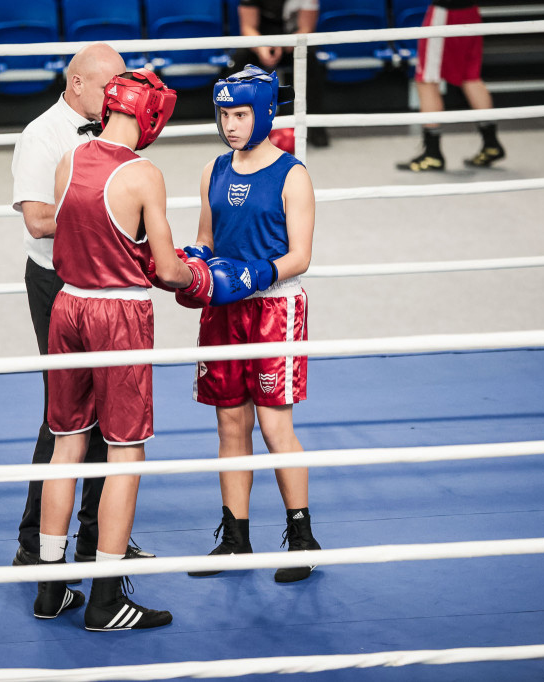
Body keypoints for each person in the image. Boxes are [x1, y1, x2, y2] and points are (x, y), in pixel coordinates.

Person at [34, 69, 211, 630]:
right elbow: (166, 270)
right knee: (124, 453)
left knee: (66, 447)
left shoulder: (69, 159)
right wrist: (204, 274)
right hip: (117, 315)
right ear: (152, 115)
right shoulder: (142, 174)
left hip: (67, 306)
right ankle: (107, 599)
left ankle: (49, 588)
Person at [10, 43, 155, 570]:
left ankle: (99, 540)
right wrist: (104, 218)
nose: (120, 95)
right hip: (59, 284)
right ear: (76, 84)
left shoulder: (114, 136)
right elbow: (37, 220)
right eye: (108, 86)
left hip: (104, 284)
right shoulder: (42, 136)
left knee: (109, 417)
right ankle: (34, 546)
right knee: (65, 417)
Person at [183, 65, 321, 583]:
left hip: (273, 308)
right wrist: (189, 267)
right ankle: (236, 537)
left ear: (264, 113)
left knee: (273, 424)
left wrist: (257, 272)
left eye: (240, 113)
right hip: (224, 308)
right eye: (224, 114)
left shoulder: (293, 174)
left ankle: (302, 537)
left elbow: (301, 256)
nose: (231, 124)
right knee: (229, 423)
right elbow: (207, 241)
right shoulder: (212, 170)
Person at [397, 0, 505, 172]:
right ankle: (491, 144)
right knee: (470, 77)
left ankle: (432, 154)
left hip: (446, 12)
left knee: (427, 80)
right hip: (470, 11)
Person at [235, 0, 329, 148]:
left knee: (311, 59)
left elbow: (306, 28)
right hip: (260, 41)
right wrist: (261, 48)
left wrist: (284, 45)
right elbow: (248, 27)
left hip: (293, 42)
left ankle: (316, 129)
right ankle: (239, 131)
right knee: (240, 58)